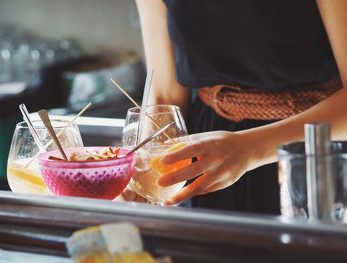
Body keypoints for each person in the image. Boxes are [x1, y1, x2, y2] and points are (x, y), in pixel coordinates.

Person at [134, 0, 347, 214]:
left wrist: (249, 148)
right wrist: (145, 172)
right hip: (210, 161)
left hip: (316, 154)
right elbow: (164, 95)